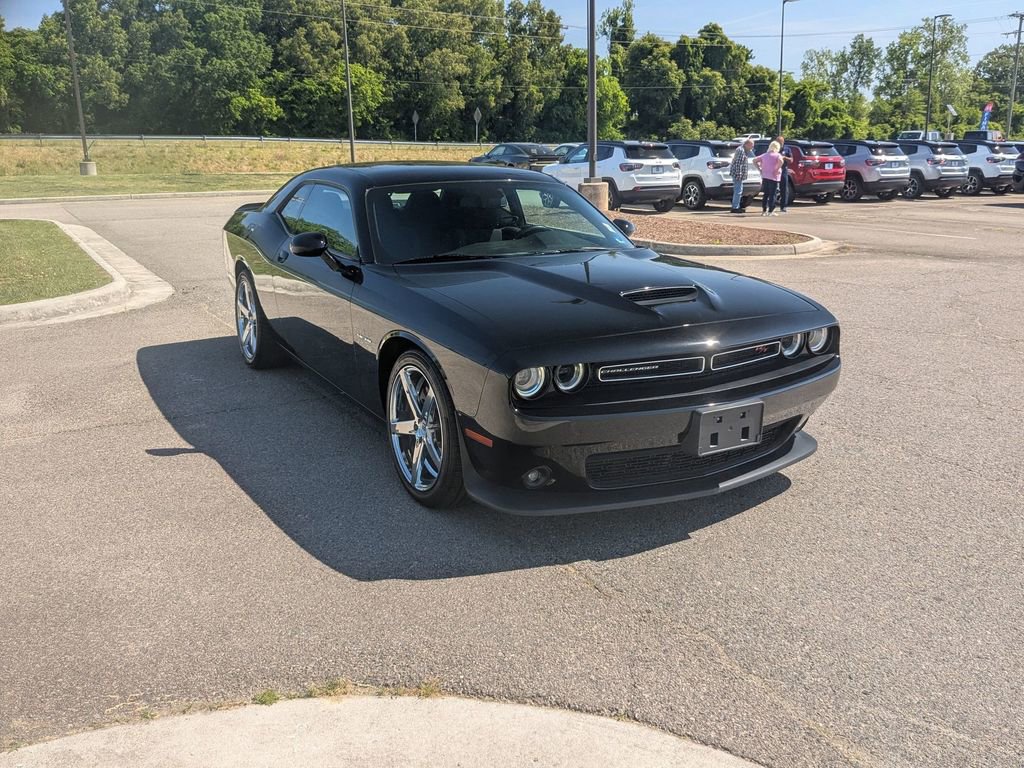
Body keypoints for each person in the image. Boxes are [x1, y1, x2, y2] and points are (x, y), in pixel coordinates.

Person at [755, 140, 784, 216]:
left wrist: (760, 169)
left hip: (765, 176)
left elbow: (754, 160)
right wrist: (777, 169)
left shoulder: (764, 155)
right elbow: (781, 161)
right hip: (774, 177)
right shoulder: (777, 155)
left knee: (766, 194)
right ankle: (771, 211)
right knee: (773, 194)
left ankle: (764, 210)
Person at [728, 139, 754, 214]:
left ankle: (736, 206)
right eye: (751, 145)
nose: (752, 147)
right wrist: (739, 174)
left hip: (739, 174)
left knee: (739, 190)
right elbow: (738, 163)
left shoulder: (745, 150)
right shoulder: (741, 150)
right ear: (747, 144)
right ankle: (735, 207)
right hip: (737, 174)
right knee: (738, 191)